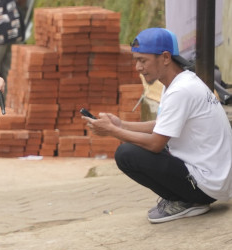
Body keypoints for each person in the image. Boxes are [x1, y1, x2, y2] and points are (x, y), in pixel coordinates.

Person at [87, 28, 231, 222]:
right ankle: (185, 197)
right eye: (136, 60)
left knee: (126, 154)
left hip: (207, 185)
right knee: (136, 149)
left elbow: (156, 143)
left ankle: (187, 201)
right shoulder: (177, 82)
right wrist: (121, 124)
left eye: (143, 60)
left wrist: (112, 130)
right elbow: (161, 125)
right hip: (211, 178)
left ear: (165, 57)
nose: (138, 67)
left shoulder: (181, 90)